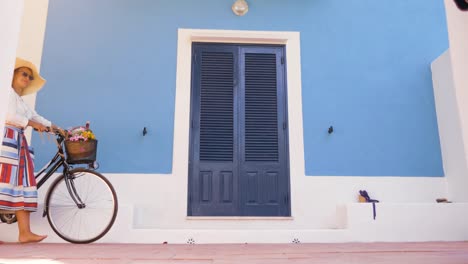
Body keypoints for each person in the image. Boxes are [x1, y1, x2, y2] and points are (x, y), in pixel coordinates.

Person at [0, 57, 60, 243]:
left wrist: (56, 128)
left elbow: (35, 116)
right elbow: (8, 116)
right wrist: (32, 124)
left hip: (18, 142)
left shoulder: (19, 100)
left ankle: (24, 233)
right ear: (13, 75)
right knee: (5, 182)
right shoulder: (6, 94)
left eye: (29, 76)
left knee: (23, 184)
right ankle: (24, 232)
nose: (27, 78)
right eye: (23, 74)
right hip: (7, 140)